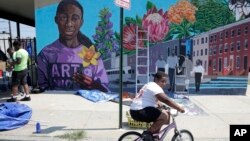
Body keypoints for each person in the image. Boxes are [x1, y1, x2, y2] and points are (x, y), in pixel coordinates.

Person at [37, 0, 109, 92]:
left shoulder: (92, 54)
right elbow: (43, 88)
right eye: (63, 17)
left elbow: (105, 89)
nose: (69, 24)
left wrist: (93, 85)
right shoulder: (46, 54)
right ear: (56, 20)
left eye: (74, 18)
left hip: (86, 105)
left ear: (81, 22)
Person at [130, 71, 185, 141]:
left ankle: (155, 136)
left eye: (165, 82)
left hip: (134, 111)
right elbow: (166, 100)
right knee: (165, 116)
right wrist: (180, 108)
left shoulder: (149, 85)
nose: (164, 84)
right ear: (156, 79)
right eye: (162, 81)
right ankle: (147, 134)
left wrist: (163, 107)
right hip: (140, 111)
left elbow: (157, 101)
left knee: (161, 114)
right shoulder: (155, 86)